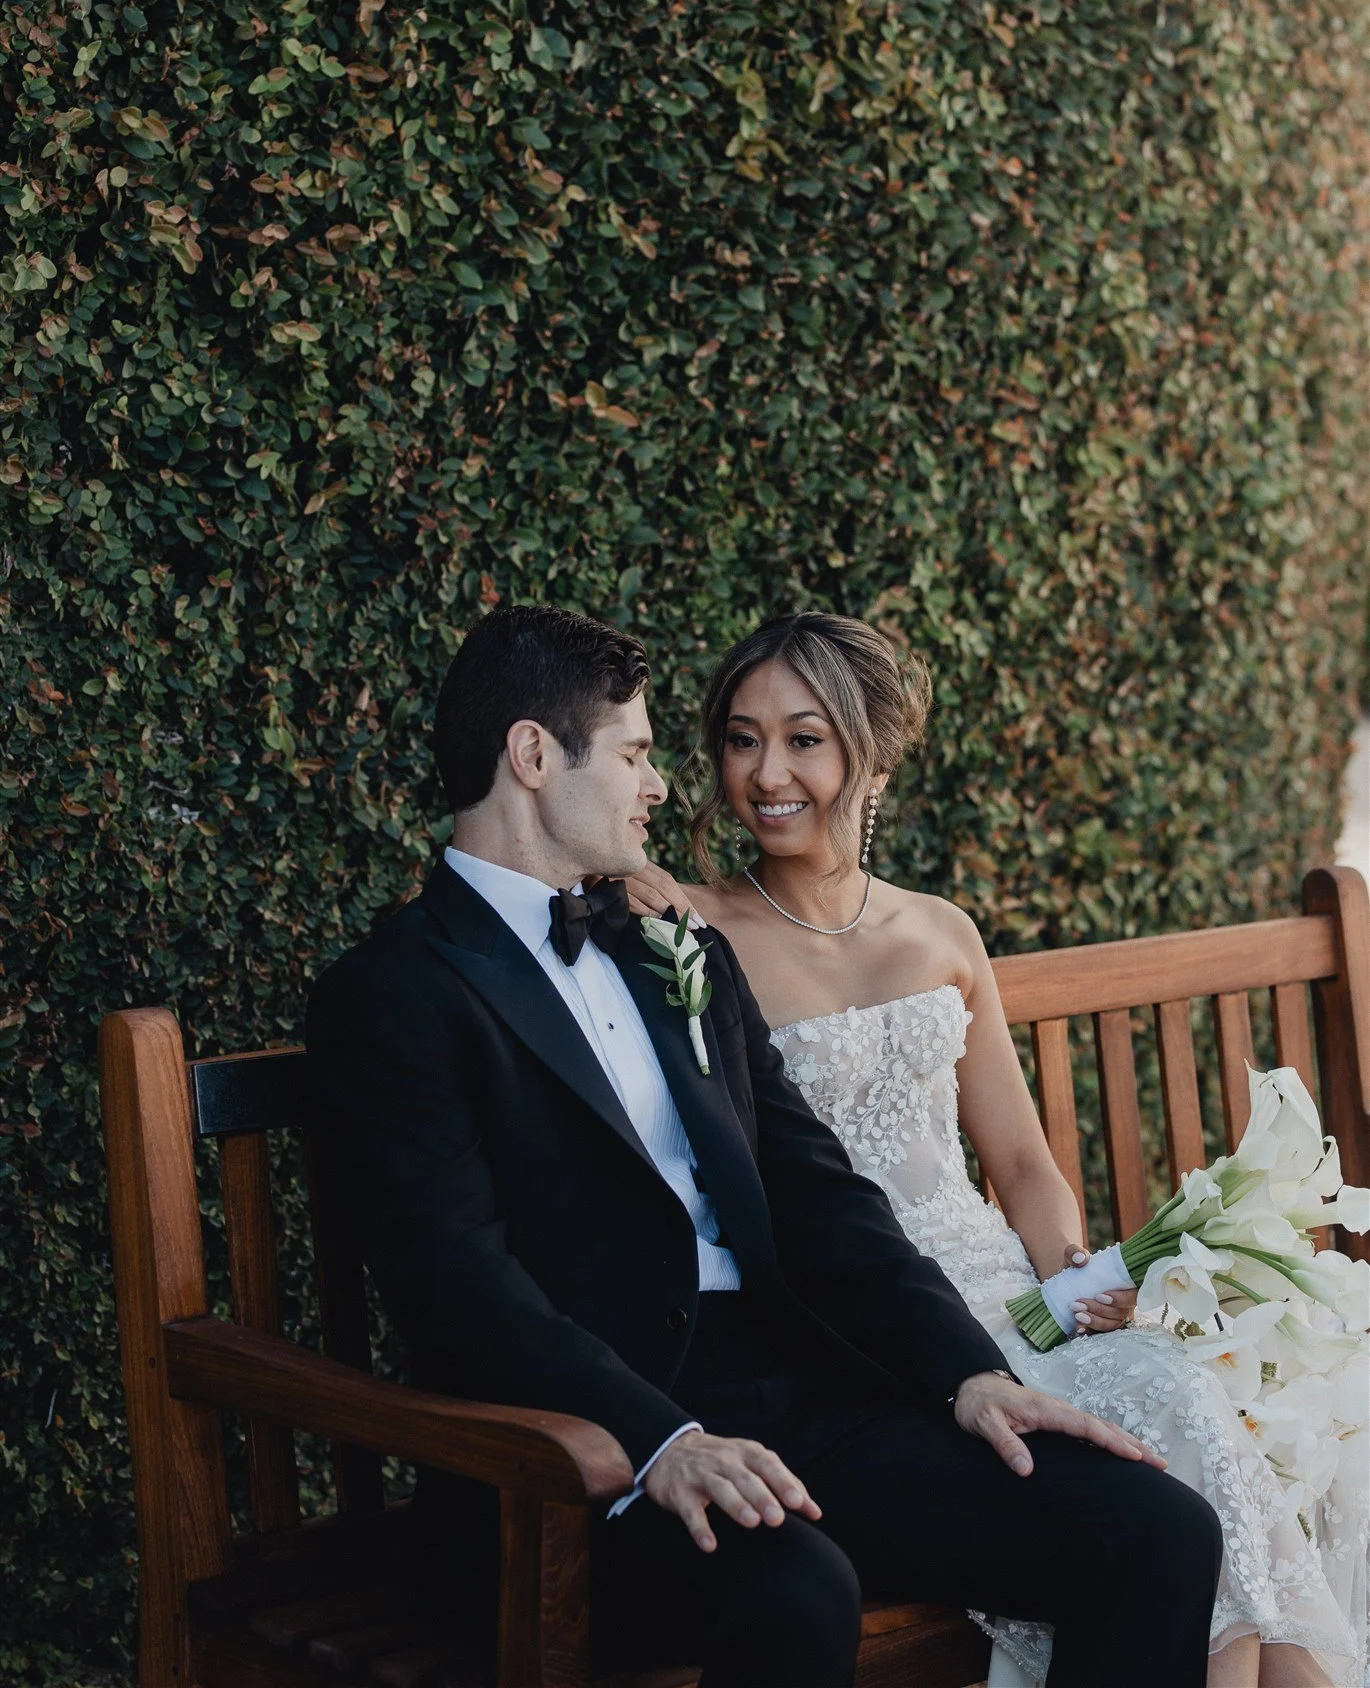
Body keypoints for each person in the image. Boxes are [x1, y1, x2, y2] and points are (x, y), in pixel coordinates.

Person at [308, 603, 1223, 1688]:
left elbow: (812, 1188)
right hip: (569, 1460)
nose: (660, 785)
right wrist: (660, 1441)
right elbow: (460, 1289)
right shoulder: (394, 994)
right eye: (635, 754)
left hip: (798, 1399)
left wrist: (967, 1373)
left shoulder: (667, 944)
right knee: (797, 1589)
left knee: (1155, 1530)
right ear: (533, 756)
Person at [627, 610, 1364, 1688]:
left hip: (1008, 1294)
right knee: (1176, 1435)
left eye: (803, 739)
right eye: (742, 740)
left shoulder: (940, 931)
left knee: (1179, 1398)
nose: (767, 773)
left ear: (874, 759)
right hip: (870, 1320)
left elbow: (1020, 1165)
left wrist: (1074, 1274)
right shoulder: (686, 932)